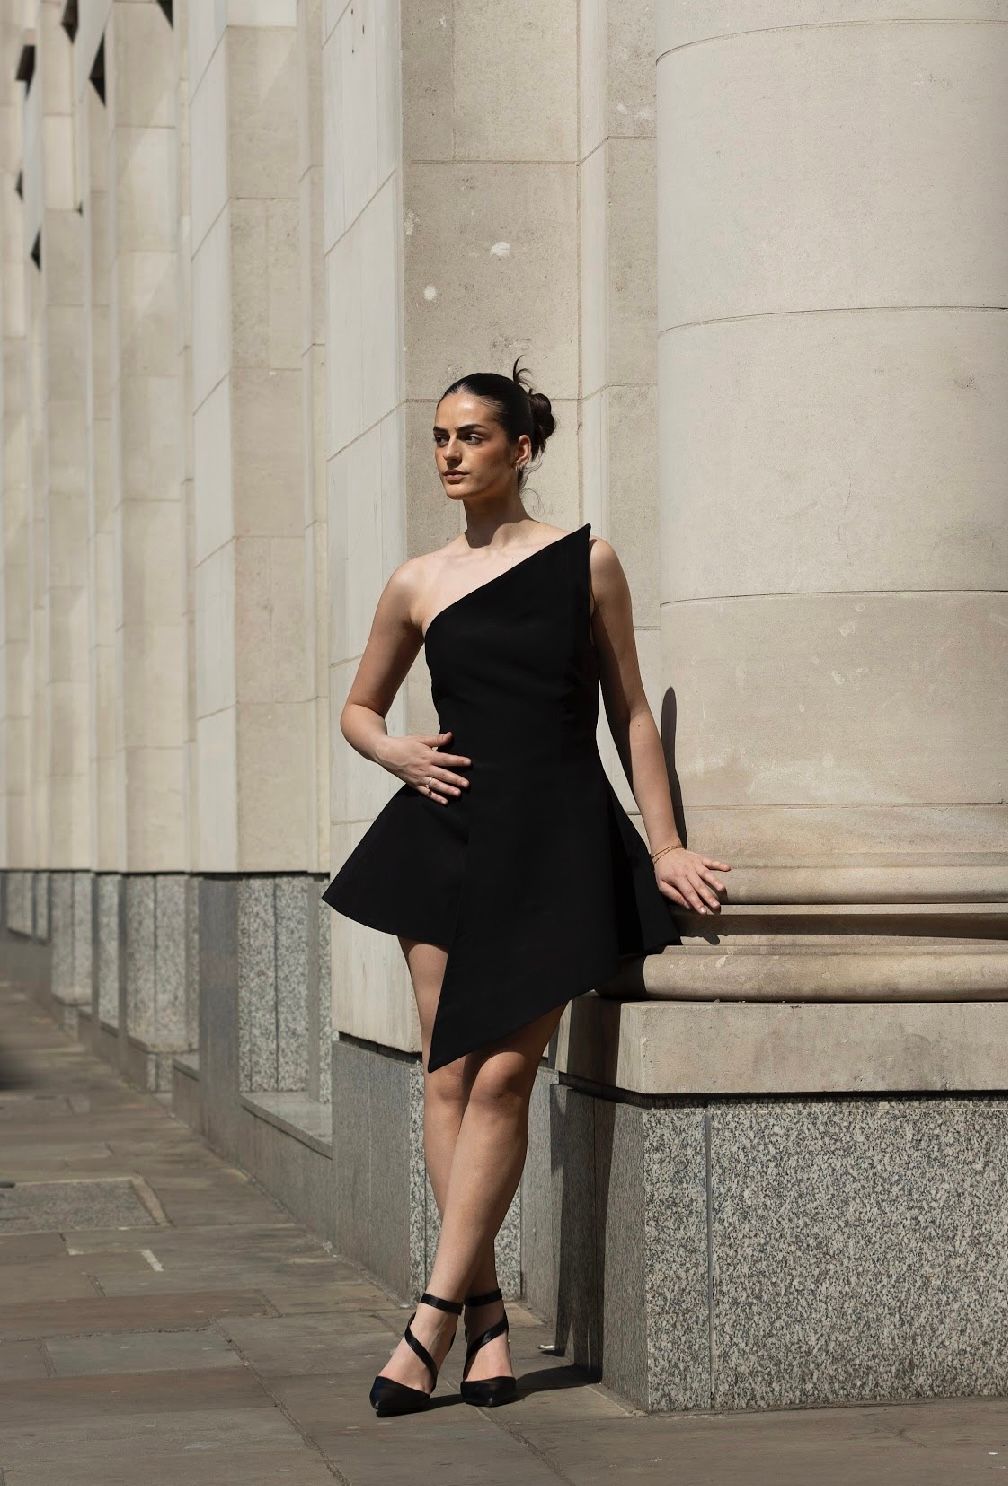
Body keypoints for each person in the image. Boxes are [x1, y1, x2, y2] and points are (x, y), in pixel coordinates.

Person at [323, 358, 730, 1417]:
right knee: (448, 1077)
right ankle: (488, 1315)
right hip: (444, 838)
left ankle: (429, 1320)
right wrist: (394, 753)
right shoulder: (416, 581)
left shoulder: (586, 561)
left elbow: (629, 711)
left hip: (555, 843)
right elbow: (359, 709)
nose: (450, 453)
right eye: (440, 437)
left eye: (471, 436)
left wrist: (666, 844)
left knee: (503, 1079)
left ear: (523, 447)